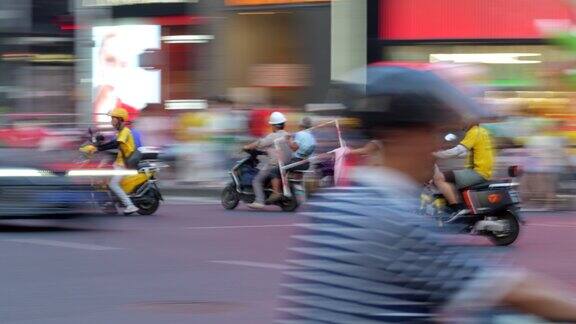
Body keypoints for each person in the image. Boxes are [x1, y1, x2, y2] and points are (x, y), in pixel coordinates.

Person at [277, 66, 576, 323]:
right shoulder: (393, 219)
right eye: (432, 132)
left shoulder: (331, 206)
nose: (435, 146)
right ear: (402, 136)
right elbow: (510, 288)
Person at [433, 121, 494, 216]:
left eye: (462, 120)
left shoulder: (474, 132)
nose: (460, 123)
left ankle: (457, 209)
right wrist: (444, 153)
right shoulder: (482, 131)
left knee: (439, 178)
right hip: (483, 171)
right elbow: (465, 152)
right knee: (449, 177)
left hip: (477, 172)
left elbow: (458, 151)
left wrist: (436, 154)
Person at [88, 107, 139, 215]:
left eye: (113, 119)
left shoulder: (125, 131)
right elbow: (111, 142)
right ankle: (111, 203)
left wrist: (98, 149)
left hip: (124, 164)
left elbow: (115, 144)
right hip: (119, 163)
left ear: (120, 119)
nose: (111, 121)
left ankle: (130, 205)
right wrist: (98, 143)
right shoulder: (120, 132)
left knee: (113, 184)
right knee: (103, 176)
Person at [243, 111, 290, 209]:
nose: (271, 127)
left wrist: (247, 146)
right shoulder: (287, 135)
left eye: (272, 125)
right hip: (287, 164)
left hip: (275, 164)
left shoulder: (272, 136)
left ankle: (259, 201)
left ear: (275, 126)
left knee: (256, 180)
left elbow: (260, 143)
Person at [267, 116, 317, 203]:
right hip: (306, 163)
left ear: (301, 125)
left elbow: (294, 148)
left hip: (297, 162)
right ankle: (290, 189)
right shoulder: (311, 136)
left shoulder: (300, 134)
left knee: (274, 171)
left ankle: (276, 193)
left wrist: (288, 140)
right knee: (285, 171)